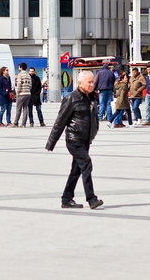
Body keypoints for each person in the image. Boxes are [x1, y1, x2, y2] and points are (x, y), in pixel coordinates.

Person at [45, 71, 103, 210]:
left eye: (92, 82)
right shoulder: (71, 98)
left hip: (85, 140)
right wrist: (51, 143)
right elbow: (60, 122)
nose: (91, 85)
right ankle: (92, 199)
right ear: (79, 83)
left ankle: (66, 199)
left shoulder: (92, 98)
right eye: (88, 82)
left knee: (76, 170)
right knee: (87, 164)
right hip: (74, 139)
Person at [14, 62, 32, 128]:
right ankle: (23, 124)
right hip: (28, 93)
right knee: (25, 108)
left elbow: (19, 84)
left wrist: (17, 93)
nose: (18, 68)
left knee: (18, 109)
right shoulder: (28, 75)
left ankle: (16, 123)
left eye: (19, 67)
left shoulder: (20, 74)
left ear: (21, 67)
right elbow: (30, 85)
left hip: (21, 93)